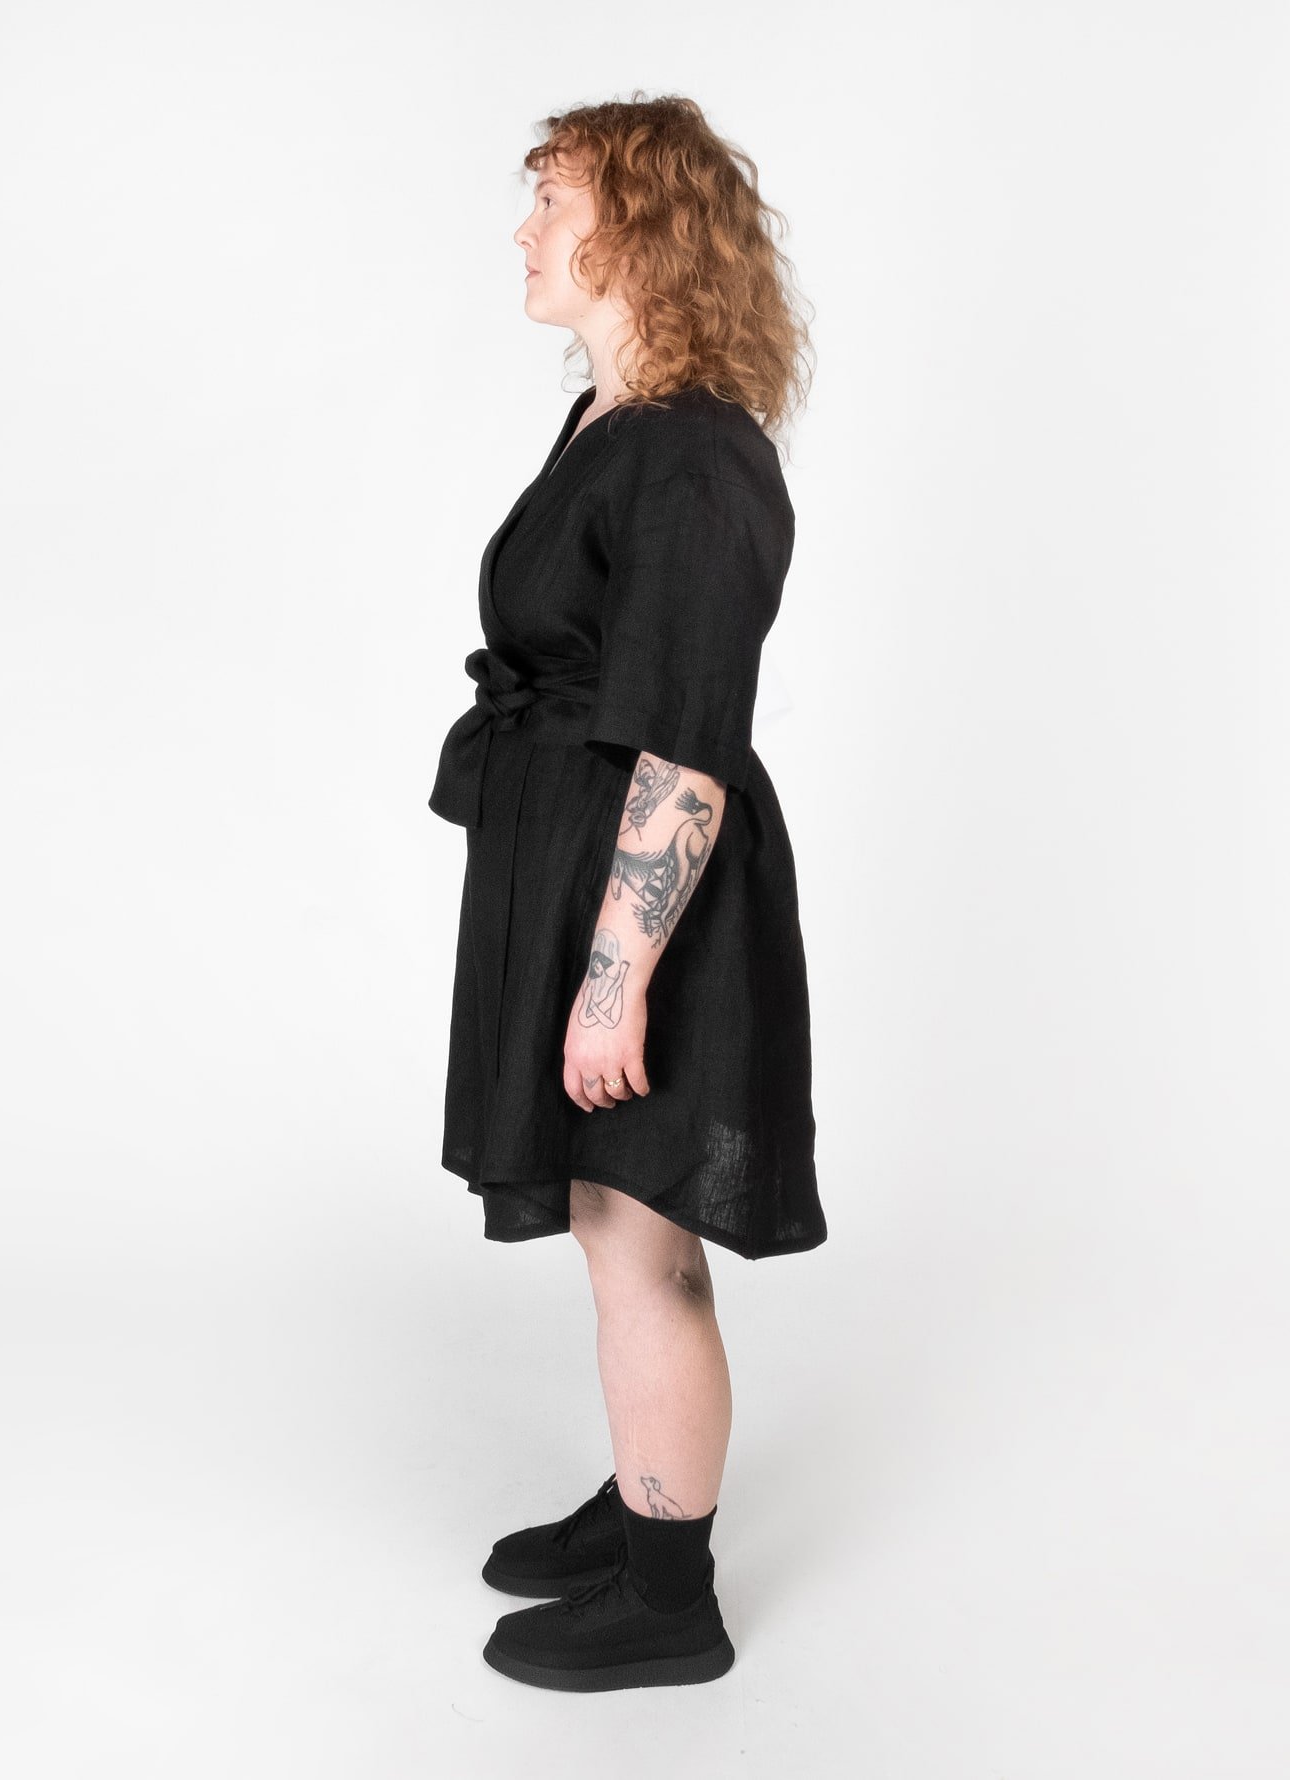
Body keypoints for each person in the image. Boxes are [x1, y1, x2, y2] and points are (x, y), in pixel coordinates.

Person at [427, 94, 828, 1692]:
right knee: (613, 1216)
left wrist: (615, 979)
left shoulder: (695, 454)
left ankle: (672, 1597)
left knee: (643, 1233)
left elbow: (685, 742)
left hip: (649, 900)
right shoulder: (611, 424)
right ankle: (647, 1494)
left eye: (554, 198)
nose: (524, 229)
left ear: (643, 231)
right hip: (576, 874)